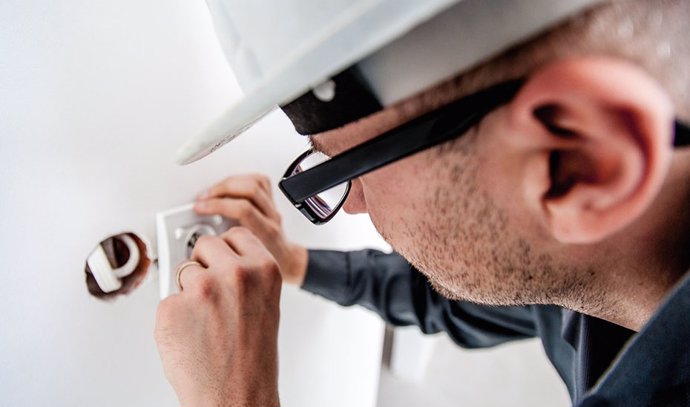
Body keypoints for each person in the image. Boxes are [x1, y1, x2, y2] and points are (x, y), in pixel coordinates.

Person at [153, 1, 690, 406]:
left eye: (348, 167)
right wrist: (294, 265)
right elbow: (445, 295)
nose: (353, 205)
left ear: (578, 158)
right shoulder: (589, 270)